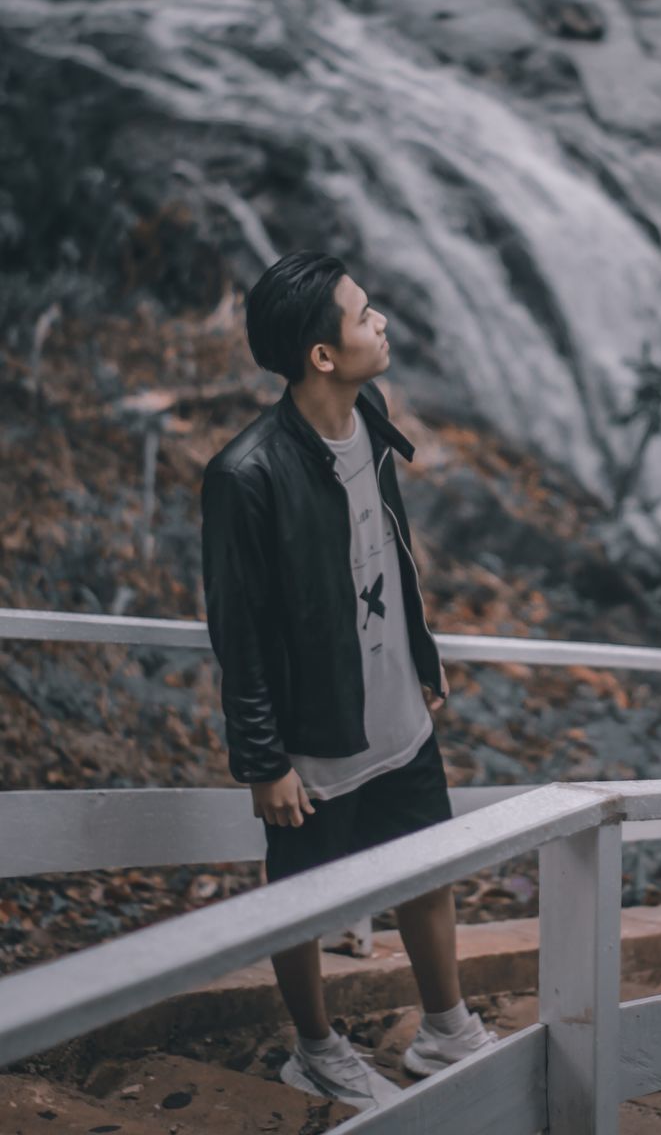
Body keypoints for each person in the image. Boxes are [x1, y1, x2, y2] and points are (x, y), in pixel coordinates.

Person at [200, 251, 497, 1111]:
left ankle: (446, 1030)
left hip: (396, 704)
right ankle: (316, 1051)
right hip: (317, 732)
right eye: (366, 317)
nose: (383, 324)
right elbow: (240, 631)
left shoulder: (368, 415)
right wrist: (263, 761)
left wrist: (421, 657)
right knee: (303, 898)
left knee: (426, 869)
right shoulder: (245, 476)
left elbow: (387, 548)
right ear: (322, 355)